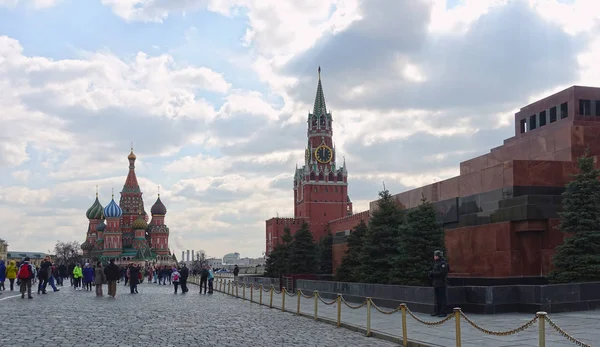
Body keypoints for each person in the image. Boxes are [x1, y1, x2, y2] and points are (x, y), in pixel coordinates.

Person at [429, 250, 449, 317]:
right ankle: (437, 311)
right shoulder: (436, 263)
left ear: (438, 256)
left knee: (442, 298)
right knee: (437, 298)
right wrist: (431, 274)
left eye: (435, 255)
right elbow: (434, 271)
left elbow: (442, 273)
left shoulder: (443, 263)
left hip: (441, 283)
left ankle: (443, 312)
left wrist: (433, 273)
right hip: (436, 283)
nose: (434, 257)